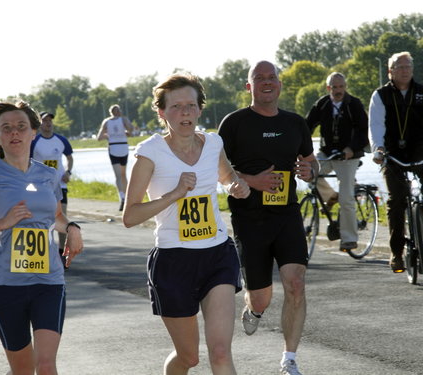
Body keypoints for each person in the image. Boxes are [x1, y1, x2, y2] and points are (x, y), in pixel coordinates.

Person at [122, 73, 250, 375]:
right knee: (189, 358)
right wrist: (175, 194)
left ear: (200, 109)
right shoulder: (150, 153)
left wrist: (236, 186)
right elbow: (130, 216)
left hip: (217, 253)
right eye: (177, 107)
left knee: (220, 352)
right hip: (173, 260)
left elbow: (226, 176)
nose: (185, 113)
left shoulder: (213, 143)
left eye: (191, 105)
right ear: (162, 112)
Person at [0, 101, 83, 374]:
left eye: (21, 127)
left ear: (33, 132)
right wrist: (2, 223)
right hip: (5, 285)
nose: (14, 133)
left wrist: (71, 228)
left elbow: (55, 216)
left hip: (49, 280)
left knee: (45, 365)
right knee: (22, 369)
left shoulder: (47, 174)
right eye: (6, 128)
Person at [218, 61, 318, 375]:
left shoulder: (295, 123)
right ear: (249, 86)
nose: (266, 82)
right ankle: (254, 308)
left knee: (296, 283)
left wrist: (309, 172)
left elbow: (311, 163)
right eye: (258, 78)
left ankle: (289, 359)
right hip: (249, 220)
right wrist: (250, 181)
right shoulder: (233, 123)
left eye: (271, 77)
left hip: (287, 214)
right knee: (261, 298)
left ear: (279, 84)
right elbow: (219, 172)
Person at [369, 51, 423, 273]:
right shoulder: (381, 95)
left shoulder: (421, 92)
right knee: (397, 201)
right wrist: (378, 149)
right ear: (390, 71)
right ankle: (397, 253)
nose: (405, 70)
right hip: (392, 155)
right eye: (399, 66)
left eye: (408, 66)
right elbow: (376, 125)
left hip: (420, 153)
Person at [305, 72, 369, 251]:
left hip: (349, 156)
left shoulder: (353, 104)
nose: (338, 90)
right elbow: (306, 126)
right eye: (335, 87)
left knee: (347, 198)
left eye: (341, 87)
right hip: (326, 153)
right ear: (328, 88)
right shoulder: (322, 104)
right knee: (307, 171)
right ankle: (330, 196)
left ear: (345, 87)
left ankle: (349, 239)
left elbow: (364, 131)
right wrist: (300, 148)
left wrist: (351, 148)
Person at [31, 111, 74, 268]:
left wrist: (68, 172)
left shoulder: (61, 140)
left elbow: (69, 158)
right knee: (43, 220)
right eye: (45, 121)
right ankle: (44, 253)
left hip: (59, 186)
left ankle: (62, 253)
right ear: (39, 124)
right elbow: (26, 161)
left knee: (61, 217)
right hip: (40, 187)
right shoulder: (34, 141)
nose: (48, 123)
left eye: (50, 121)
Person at [97, 104, 133, 211]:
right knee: (123, 174)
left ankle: (122, 196)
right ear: (119, 111)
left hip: (114, 147)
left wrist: (109, 136)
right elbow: (131, 130)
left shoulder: (107, 122)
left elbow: (99, 137)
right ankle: (126, 198)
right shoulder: (123, 120)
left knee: (118, 175)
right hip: (122, 147)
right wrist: (125, 132)